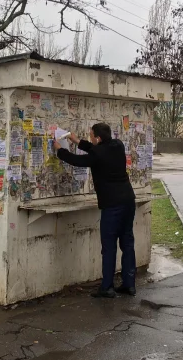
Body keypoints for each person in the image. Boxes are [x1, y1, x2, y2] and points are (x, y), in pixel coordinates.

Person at [53, 123, 137, 298]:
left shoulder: (97, 154)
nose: (90, 138)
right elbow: (96, 149)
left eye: (91, 136)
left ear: (98, 138)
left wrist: (60, 150)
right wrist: (77, 141)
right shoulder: (118, 145)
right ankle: (129, 284)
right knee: (127, 242)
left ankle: (107, 287)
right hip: (128, 201)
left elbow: (78, 161)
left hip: (112, 205)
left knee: (109, 246)